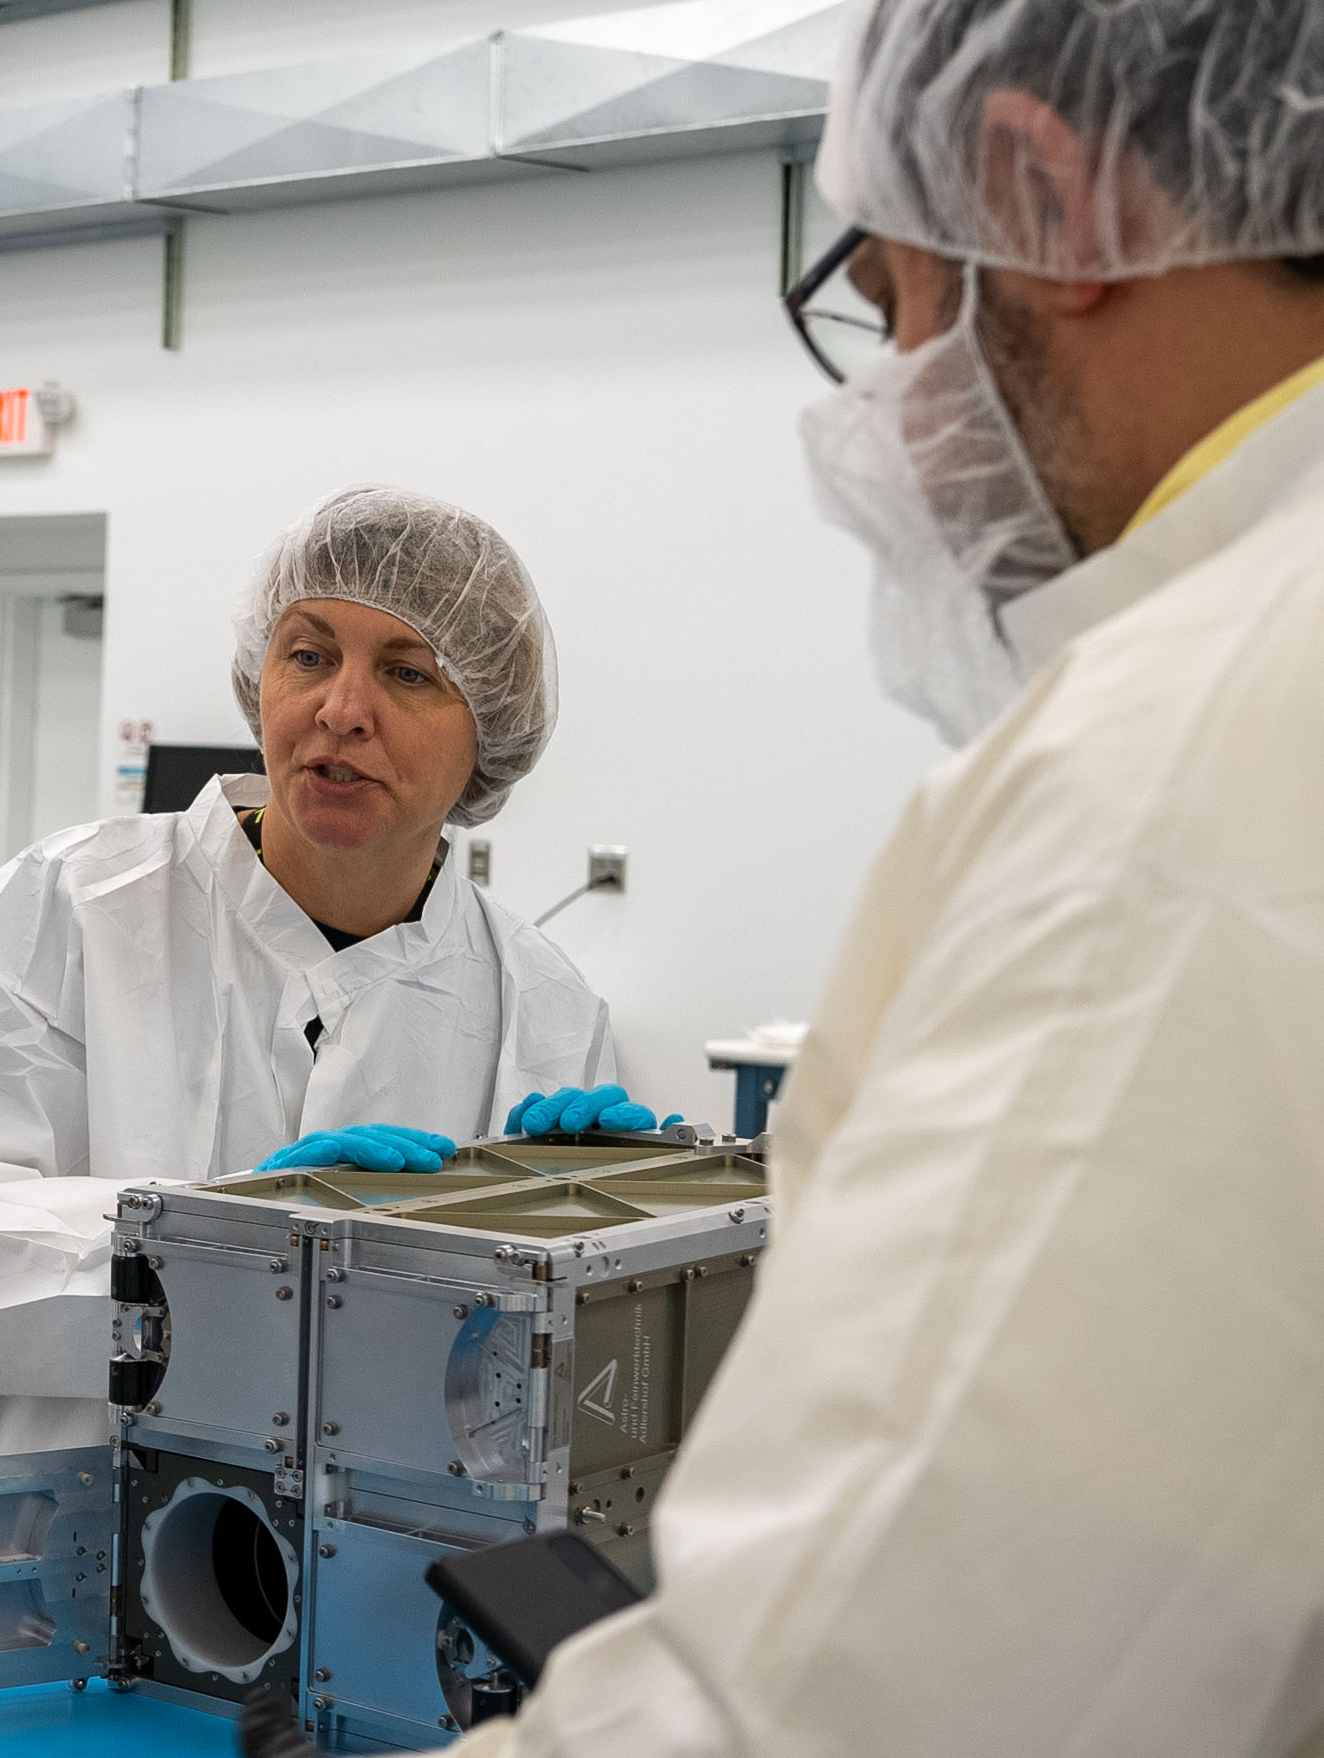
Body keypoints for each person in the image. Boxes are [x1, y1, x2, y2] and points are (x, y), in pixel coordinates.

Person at [433, 2, 1324, 1753]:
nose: (896, 420)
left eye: (889, 302)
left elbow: (852, 1692)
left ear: (1037, 197)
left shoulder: (1184, 768)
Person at [0, 487, 669, 1619]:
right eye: (307, 653)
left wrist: (625, 1245)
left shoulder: (543, 1004)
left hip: (364, 1603)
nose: (340, 709)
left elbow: (545, 1394)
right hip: (38, 1575)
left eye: (408, 672)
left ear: (490, 734)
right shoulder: (67, 909)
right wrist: (208, 1252)